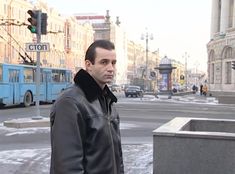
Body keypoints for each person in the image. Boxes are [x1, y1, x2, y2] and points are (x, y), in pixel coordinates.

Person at [50, 40, 124, 174]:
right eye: (104, 62)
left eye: (113, 63)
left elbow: (116, 157)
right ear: (89, 65)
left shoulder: (107, 101)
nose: (111, 68)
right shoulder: (70, 102)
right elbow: (68, 166)